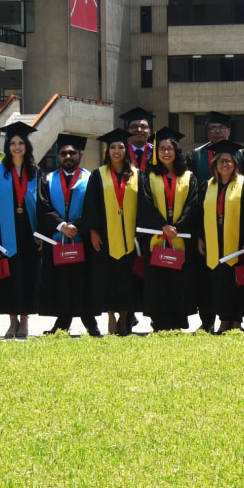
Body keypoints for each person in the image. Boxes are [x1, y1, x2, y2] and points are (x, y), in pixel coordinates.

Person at [34, 132, 98, 337]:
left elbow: (94, 208)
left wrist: (76, 227)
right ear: (58, 156)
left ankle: (91, 323)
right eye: (63, 153)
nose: (68, 157)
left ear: (80, 154)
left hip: (83, 239)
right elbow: (43, 207)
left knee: (84, 282)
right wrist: (62, 226)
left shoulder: (91, 178)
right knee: (61, 282)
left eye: (72, 153)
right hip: (58, 239)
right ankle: (62, 324)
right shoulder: (47, 178)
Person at [137, 129, 199, 332]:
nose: (166, 152)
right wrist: (162, 225)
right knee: (158, 279)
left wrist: (177, 226)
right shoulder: (149, 176)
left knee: (180, 280)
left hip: (181, 237)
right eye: (162, 149)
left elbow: (192, 204)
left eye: (169, 148)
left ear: (176, 151)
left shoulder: (188, 177)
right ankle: (159, 322)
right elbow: (145, 204)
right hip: (156, 236)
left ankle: (179, 320)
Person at [0, 122, 39, 340]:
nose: (17, 147)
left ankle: (24, 319)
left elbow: (42, 204)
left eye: (21, 143)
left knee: (27, 275)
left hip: (29, 231)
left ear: (27, 146)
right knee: (8, 277)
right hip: (4, 233)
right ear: (7, 147)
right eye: (13, 143)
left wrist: (41, 234)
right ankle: (12, 320)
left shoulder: (35, 171)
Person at [89, 129, 144, 337]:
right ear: (107, 151)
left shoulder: (137, 175)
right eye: (112, 147)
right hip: (106, 237)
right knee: (108, 279)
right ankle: (111, 316)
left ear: (126, 150)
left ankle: (124, 317)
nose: (116, 151)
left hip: (131, 238)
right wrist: (93, 231)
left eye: (120, 147)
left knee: (127, 280)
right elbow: (91, 205)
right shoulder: (98, 175)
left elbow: (144, 206)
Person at [199, 146, 244, 333]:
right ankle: (223, 320)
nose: (225, 164)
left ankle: (237, 321)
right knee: (218, 282)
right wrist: (200, 238)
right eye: (221, 161)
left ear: (235, 163)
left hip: (238, 242)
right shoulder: (207, 186)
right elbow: (200, 214)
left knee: (236, 281)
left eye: (228, 161)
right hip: (214, 240)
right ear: (215, 164)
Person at [191, 112, 244, 179]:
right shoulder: (195, 156)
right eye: (213, 128)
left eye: (222, 128)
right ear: (208, 132)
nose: (217, 131)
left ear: (229, 131)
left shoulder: (243, 155)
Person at [120, 106, 155, 172]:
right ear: (127, 131)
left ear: (149, 132)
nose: (139, 130)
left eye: (143, 126)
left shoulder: (156, 152)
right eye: (134, 126)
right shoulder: (121, 152)